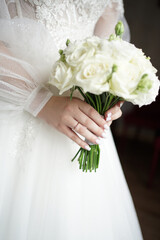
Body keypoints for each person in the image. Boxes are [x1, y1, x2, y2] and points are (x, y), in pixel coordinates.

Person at [0, 0, 143, 239]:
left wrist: (112, 90)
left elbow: (106, 44)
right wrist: (39, 100)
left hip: (84, 122)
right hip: (16, 104)